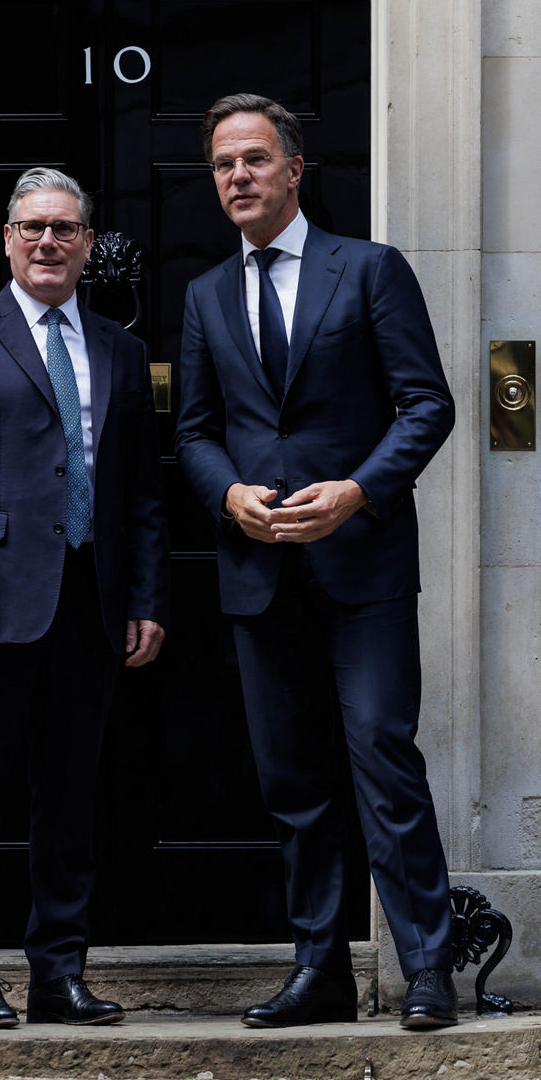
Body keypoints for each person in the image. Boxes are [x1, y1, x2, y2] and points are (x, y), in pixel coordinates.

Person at [175, 94, 457, 1030]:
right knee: (293, 782)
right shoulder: (205, 295)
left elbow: (428, 403)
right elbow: (195, 431)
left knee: (382, 758)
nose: (238, 177)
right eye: (224, 164)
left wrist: (357, 491)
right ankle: (320, 970)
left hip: (363, 567)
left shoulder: (369, 270)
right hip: (260, 575)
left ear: (294, 170)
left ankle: (428, 969)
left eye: (254, 159)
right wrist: (228, 496)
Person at [0, 168, 169, 1029]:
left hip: (90, 608)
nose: (48, 242)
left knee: (68, 805)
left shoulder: (120, 350)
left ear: (88, 245)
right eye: (32, 228)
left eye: (64, 229)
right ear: (8, 240)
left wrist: (145, 598)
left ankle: (58, 975)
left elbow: (141, 492)